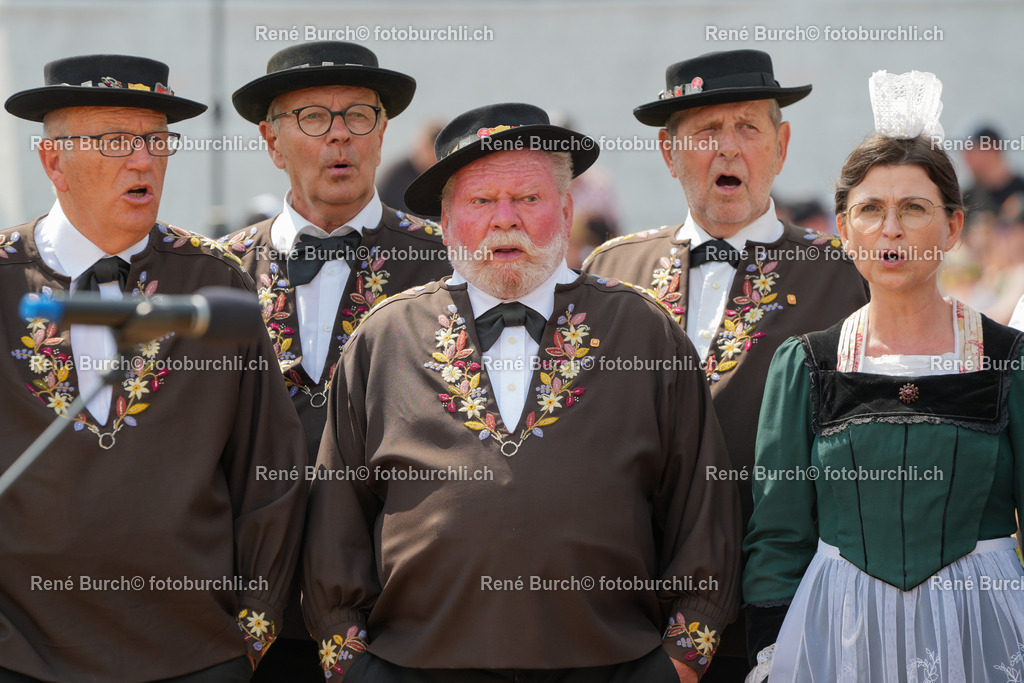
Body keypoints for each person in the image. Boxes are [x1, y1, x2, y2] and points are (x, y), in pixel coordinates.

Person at [302, 102, 742, 682]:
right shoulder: (386, 337)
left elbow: (702, 514)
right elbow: (336, 525)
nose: (504, 220)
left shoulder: (643, 331)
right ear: (447, 217)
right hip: (414, 668)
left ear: (565, 208)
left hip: (613, 668)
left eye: (528, 199)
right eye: (481, 201)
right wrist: (354, 669)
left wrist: (678, 665)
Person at [0, 54, 306, 681]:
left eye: (156, 141)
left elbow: (269, 472)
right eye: (115, 141)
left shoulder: (214, 283)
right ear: (53, 161)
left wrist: (251, 627)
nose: (143, 161)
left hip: (198, 655)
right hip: (23, 657)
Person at [581, 49, 869, 680]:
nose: (728, 149)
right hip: (628, 614)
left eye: (748, 127)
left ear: (782, 143)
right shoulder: (608, 273)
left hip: (788, 616)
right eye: (706, 132)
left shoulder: (844, 276)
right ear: (668, 151)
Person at [743, 70, 1024, 682]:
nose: (890, 228)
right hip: (837, 630)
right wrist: (769, 654)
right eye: (870, 209)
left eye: (914, 209)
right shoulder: (808, 366)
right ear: (844, 229)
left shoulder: (1008, 361)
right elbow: (778, 535)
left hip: (984, 627)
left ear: (952, 228)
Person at [224, 41, 451, 680]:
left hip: (399, 614)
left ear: (384, 134)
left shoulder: (447, 264)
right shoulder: (215, 272)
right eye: (315, 119)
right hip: (241, 616)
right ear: (271, 142)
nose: (341, 138)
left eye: (360, 116)